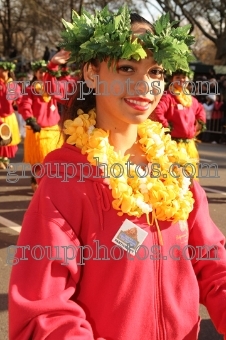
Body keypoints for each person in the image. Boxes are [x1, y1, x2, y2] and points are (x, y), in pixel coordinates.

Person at [9, 6, 226, 340]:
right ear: (92, 74)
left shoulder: (174, 167)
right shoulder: (67, 174)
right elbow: (44, 312)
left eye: (155, 72)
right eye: (127, 67)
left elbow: (213, 263)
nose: (145, 85)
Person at [18, 60, 63, 191]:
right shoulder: (30, 90)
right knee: (39, 160)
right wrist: (30, 120)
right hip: (38, 130)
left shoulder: (53, 88)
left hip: (53, 131)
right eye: (41, 72)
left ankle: (49, 182)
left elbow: (63, 93)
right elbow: (25, 105)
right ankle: (36, 179)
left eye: (45, 71)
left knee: (53, 160)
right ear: (36, 73)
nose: (43, 74)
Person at [152, 69, 206, 178]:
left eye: (184, 77)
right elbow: (157, 111)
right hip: (172, 145)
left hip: (188, 146)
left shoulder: (192, 100)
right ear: (172, 80)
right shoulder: (167, 97)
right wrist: (167, 127)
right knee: (174, 176)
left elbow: (200, 110)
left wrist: (200, 123)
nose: (181, 80)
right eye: (177, 77)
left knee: (189, 177)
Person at [0, 61, 20, 169]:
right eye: (1, 70)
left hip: (9, 116)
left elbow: (17, 99)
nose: (2, 72)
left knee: (7, 139)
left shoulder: (12, 84)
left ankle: (5, 159)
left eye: (4, 70)